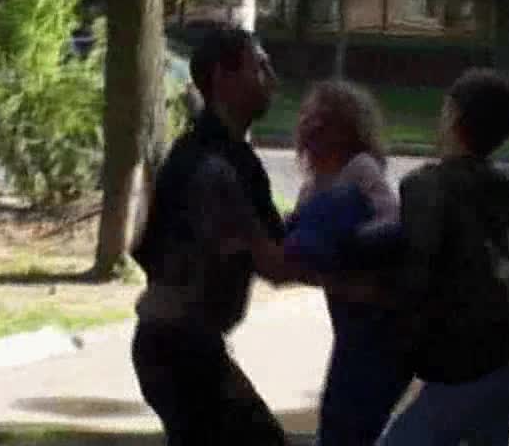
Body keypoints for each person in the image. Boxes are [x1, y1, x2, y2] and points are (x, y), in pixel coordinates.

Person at [130, 26, 295, 446]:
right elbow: (276, 262)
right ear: (223, 76)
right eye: (260, 67)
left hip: (171, 345)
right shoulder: (221, 165)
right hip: (182, 349)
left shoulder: (199, 152)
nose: (272, 80)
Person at [379, 68, 509, 445]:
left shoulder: (426, 187)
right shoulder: (508, 191)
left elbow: (416, 276)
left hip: (461, 374)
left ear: (453, 115)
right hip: (507, 370)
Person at [285, 80, 413, 446]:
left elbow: (392, 218)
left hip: (378, 318)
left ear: (347, 128)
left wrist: (348, 244)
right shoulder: (312, 187)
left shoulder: (359, 169)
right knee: (339, 416)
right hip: (347, 316)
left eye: (323, 118)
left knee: (350, 417)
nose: (311, 125)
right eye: (308, 116)